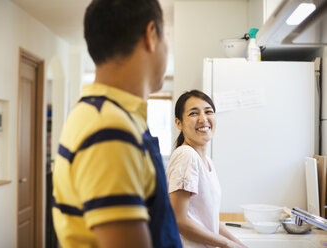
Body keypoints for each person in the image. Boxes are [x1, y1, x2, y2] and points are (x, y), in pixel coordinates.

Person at [52, 0, 182, 247]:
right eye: (168, 37)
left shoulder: (104, 114)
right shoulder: (108, 128)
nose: (168, 47)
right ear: (151, 35)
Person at [166, 90, 247, 248]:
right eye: (193, 113)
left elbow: (209, 220)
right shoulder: (186, 155)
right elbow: (179, 220)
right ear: (178, 123)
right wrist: (227, 244)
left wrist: (238, 244)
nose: (203, 119)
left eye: (208, 112)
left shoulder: (206, 161)